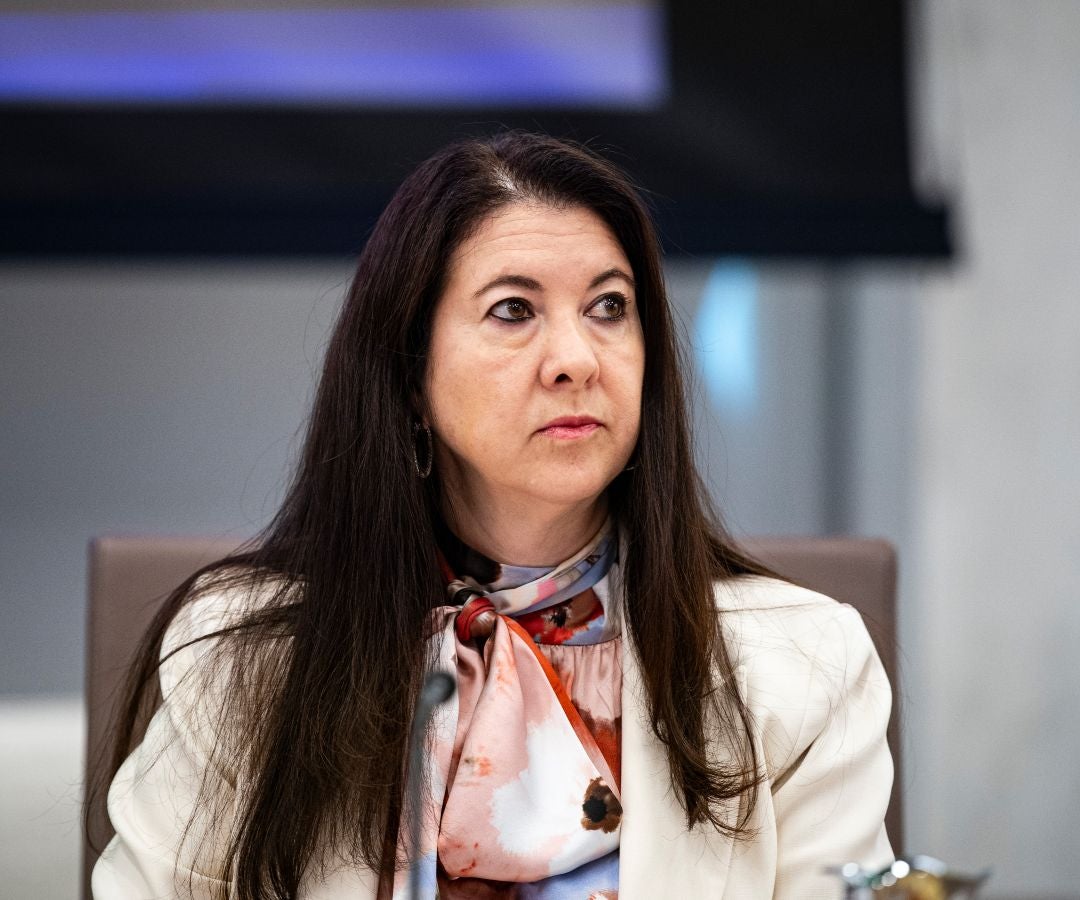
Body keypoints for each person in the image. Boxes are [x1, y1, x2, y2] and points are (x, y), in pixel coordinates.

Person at [89, 132, 894, 899]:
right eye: (514, 310)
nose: (577, 359)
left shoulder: (804, 669)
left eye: (609, 307)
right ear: (410, 373)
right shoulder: (245, 667)